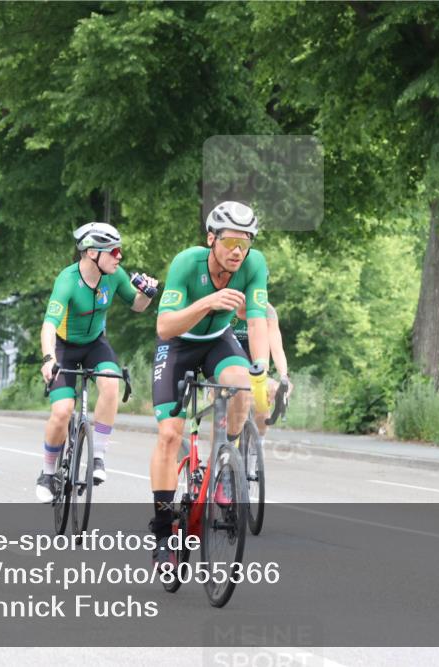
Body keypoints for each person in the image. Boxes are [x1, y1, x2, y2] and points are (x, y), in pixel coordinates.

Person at [148, 201, 270, 569]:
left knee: (241, 385)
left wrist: (261, 373)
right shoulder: (187, 263)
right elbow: (164, 326)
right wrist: (209, 302)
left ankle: (225, 467)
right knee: (170, 434)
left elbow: (257, 321)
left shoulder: (254, 265)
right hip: (178, 344)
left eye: (245, 243)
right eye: (230, 241)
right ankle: (162, 532)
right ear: (211, 238)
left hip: (219, 341)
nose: (238, 251)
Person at [35, 222, 158, 502]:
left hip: (95, 344)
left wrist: (147, 294)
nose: (119, 256)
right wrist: (48, 358)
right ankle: (48, 473)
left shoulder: (115, 276)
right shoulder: (67, 280)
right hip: (64, 347)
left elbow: (137, 305)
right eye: (113, 251)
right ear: (92, 253)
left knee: (112, 385)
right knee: (62, 411)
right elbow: (49, 325)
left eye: (119, 250)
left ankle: (98, 456)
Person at [230, 300, 292, 442]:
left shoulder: (267, 310)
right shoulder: (227, 304)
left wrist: (284, 376)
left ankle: (257, 445)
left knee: (262, 412)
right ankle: (222, 448)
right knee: (223, 405)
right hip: (228, 364)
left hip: (256, 366)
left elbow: (277, 349)